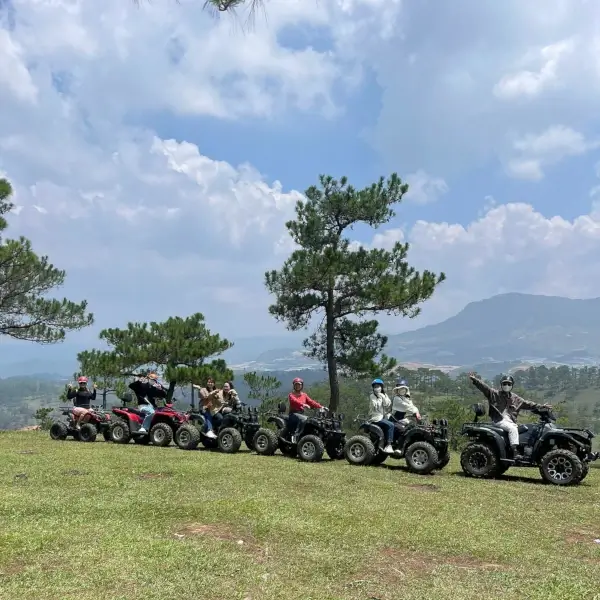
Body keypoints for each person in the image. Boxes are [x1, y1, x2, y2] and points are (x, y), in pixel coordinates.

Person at [468, 373, 552, 460]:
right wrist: (474, 379)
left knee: (526, 429)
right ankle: (515, 452)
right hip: (498, 420)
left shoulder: (515, 398)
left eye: (509, 384)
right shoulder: (494, 394)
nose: (506, 385)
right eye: (504, 384)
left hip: (511, 421)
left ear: (512, 385)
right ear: (501, 385)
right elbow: (484, 387)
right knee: (512, 429)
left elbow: (528, 404)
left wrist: (541, 406)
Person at [287, 377, 325, 443]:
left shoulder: (304, 395)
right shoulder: (291, 395)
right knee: (304, 419)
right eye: (296, 384)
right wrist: (303, 404)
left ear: (302, 385)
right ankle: (295, 436)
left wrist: (321, 406)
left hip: (301, 414)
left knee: (312, 421)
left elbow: (311, 402)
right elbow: (294, 401)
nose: (297, 386)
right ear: (294, 385)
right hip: (293, 414)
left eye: (299, 384)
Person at [368, 378, 395, 454]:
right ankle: (389, 445)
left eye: (378, 386)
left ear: (381, 387)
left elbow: (387, 404)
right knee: (391, 425)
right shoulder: (372, 396)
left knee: (397, 424)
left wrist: (383, 396)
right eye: (375, 386)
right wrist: (380, 398)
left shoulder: (384, 395)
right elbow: (376, 406)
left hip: (383, 417)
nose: (377, 388)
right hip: (376, 418)